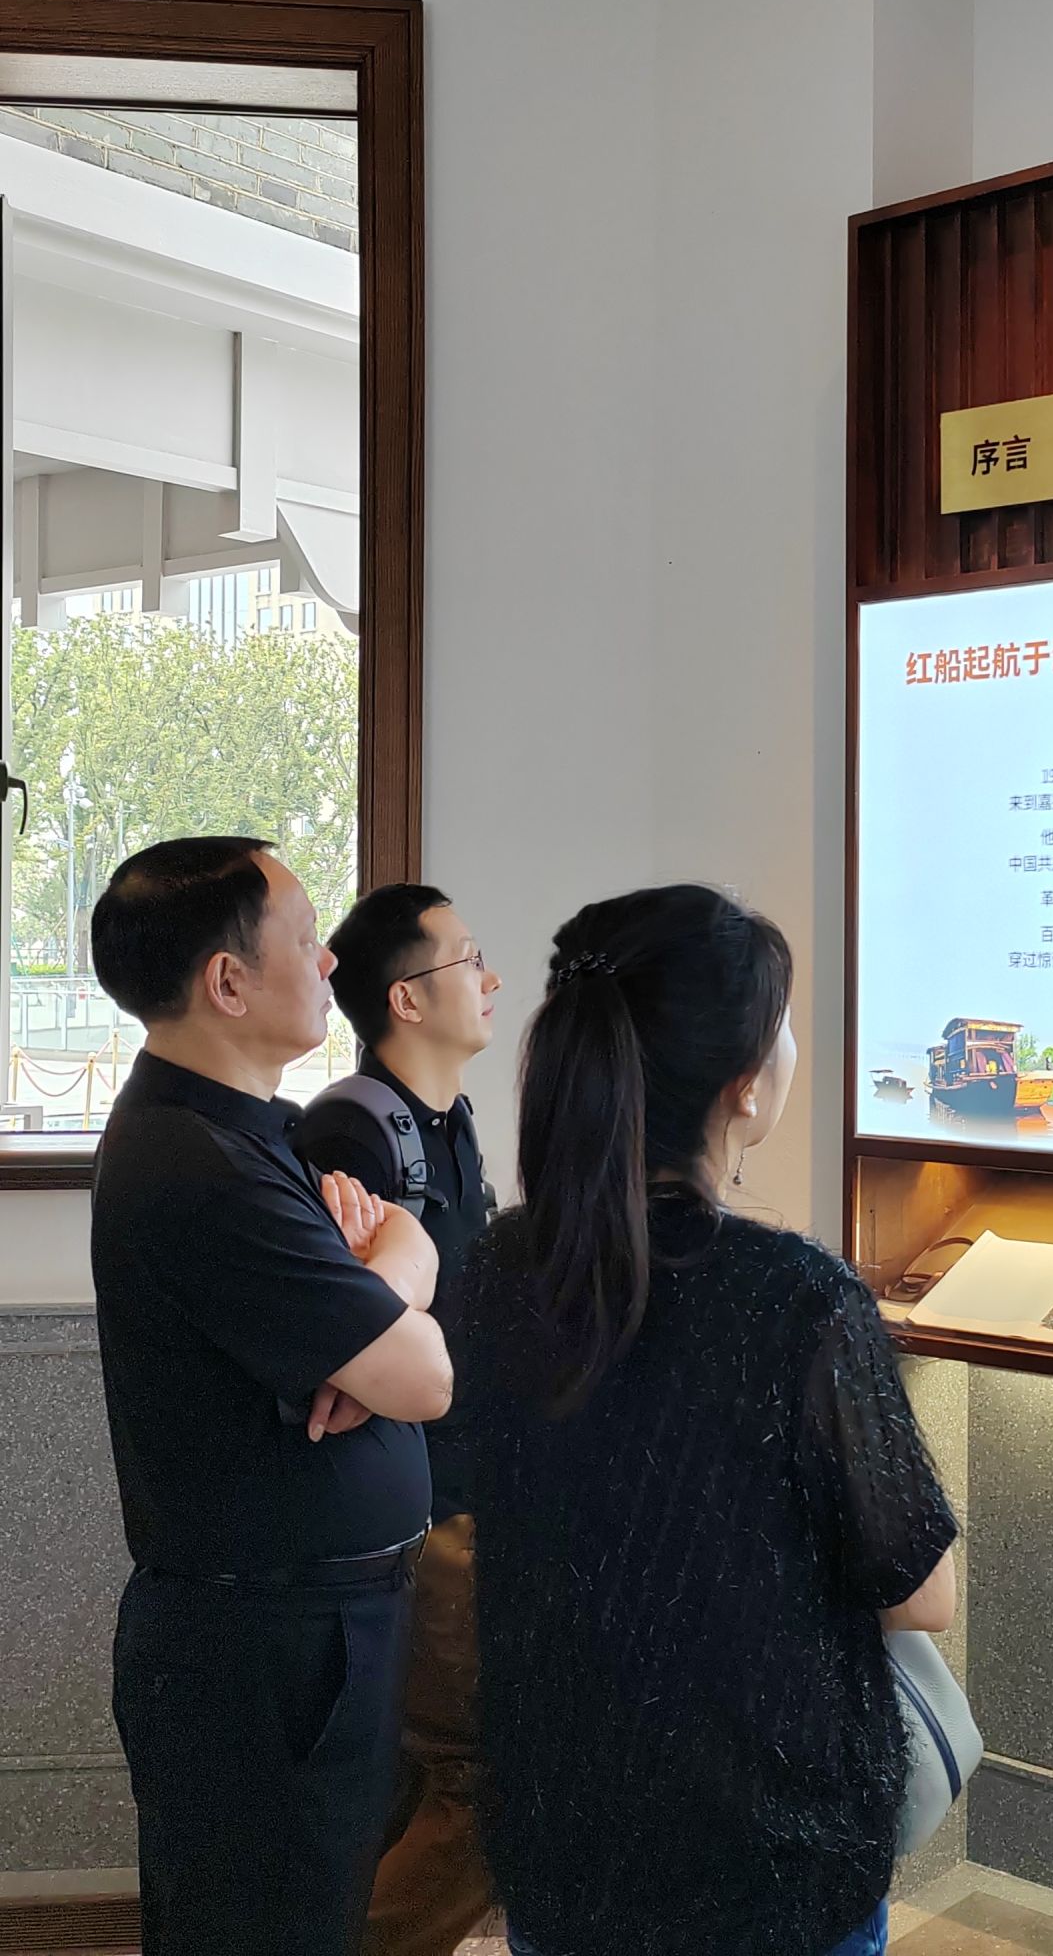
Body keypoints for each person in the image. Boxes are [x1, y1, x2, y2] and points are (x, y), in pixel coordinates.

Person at [463, 884, 957, 1956]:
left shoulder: (496, 1269)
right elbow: (922, 1591)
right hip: (769, 1862)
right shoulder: (799, 1299)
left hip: (563, 1845)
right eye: (783, 1020)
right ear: (744, 1084)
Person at [86, 838, 451, 1956]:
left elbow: (401, 1259)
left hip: (306, 1630)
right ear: (228, 982)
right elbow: (424, 1376)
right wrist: (393, 1294)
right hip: (265, 1652)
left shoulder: (254, 1132)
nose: (329, 956)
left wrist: (396, 1254)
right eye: (303, 935)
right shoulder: (200, 1165)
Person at [293, 884, 503, 1956]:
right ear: (407, 999)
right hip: (422, 1517)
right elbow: (345, 1342)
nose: (491, 978)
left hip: (458, 1493)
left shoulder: (449, 1124)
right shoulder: (353, 1128)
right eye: (468, 958)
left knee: (424, 1779)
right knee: (477, 1786)